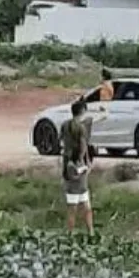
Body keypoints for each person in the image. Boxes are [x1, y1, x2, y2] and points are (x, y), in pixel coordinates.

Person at [60, 99, 98, 234]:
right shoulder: (81, 128)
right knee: (85, 204)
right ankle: (91, 232)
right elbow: (82, 146)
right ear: (83, 111)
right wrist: (82, 162)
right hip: (78, 168)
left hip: (67, 167)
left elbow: (63, 143)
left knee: (71, 206)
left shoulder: (65, 125)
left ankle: (70, 233)